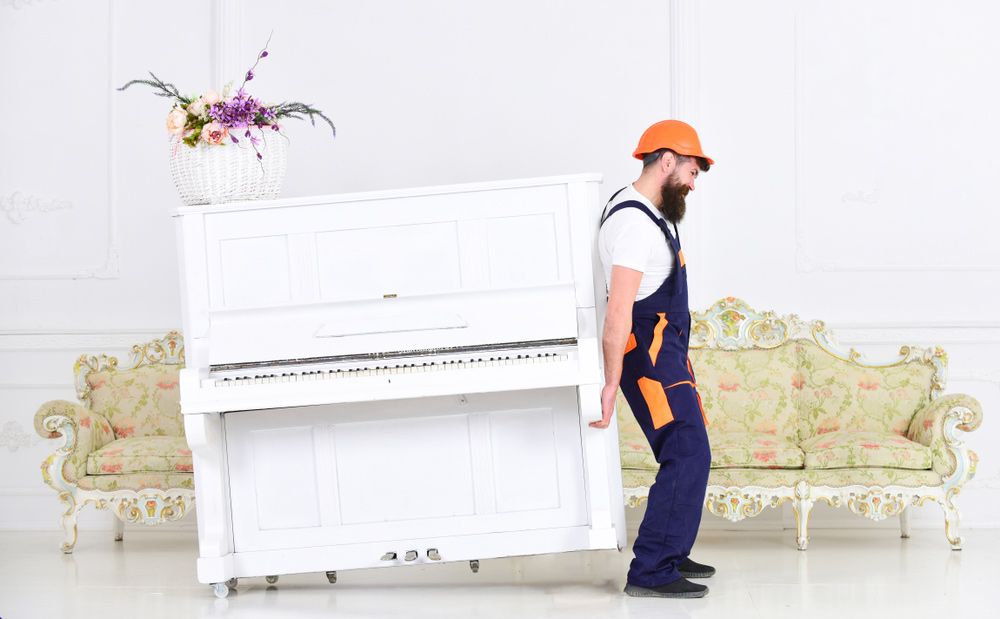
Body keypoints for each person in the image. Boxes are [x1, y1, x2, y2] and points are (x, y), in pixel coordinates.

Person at [590, 120, 715, 598]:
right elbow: (618, 311)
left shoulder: (649, 212)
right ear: (667, 160)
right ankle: (652, 569)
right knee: (686, 451)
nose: (694, 181)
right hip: (649, 362)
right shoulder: (635, 225)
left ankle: (673, 550)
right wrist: (609, 383)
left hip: (667, 358)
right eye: (691, 169)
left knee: (687, 450)